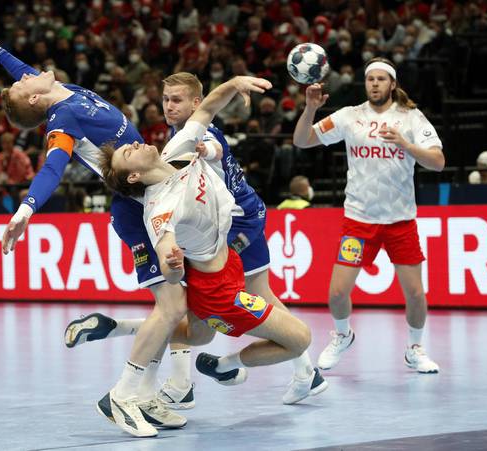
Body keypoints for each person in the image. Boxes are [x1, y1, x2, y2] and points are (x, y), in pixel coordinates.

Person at [0, 37, 191, 437]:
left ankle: (147, 392)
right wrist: (26, 209)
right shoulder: (61, 120)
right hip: (137, 211)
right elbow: (52, 168)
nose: (28, 74)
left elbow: (20, 71)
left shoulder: (63, 90)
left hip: (157, 197)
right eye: (23, 82)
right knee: (171, 309)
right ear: (34, 101)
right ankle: (123, 394)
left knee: (177, 310)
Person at [67, 73, 326, 412]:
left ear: (193, 101)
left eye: (176, 99)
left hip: (238, 230)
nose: (167, 106)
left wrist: (234, 84)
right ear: (134, 175)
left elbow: (208, 120)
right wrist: (172, 266)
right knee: (186, 316)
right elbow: (165, 245)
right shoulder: (161, 208)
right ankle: (161, 385)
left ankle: (128, 338)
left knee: (192, 328)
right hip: (220, 273)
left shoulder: (178, 146)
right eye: (166, 99)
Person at [293, 57, 444, 374]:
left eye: (381, 79)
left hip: (400, 220)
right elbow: (301, 140)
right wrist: (310, 109)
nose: (375, 83)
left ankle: (415, 348)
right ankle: (343, 335)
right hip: (359, 221)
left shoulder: (411, 118)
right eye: (370, 79)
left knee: (415, 293)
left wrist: (405, 144)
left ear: (392, 84)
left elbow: (438, 162)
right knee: (336, 293)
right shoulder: (349, 116)